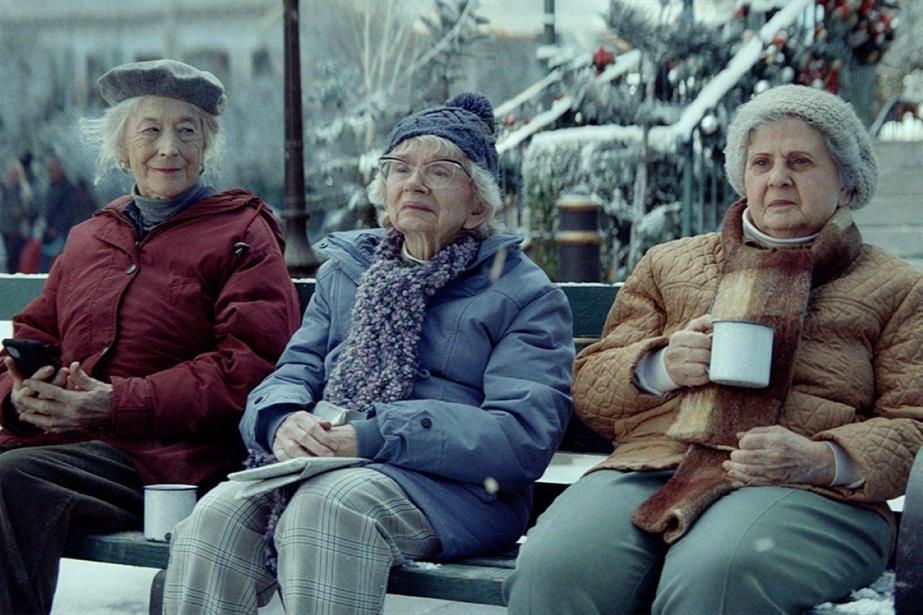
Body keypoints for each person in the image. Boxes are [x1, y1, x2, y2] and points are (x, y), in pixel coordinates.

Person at [504, 84, 923, 614]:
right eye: (762, 161)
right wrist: (659, 366)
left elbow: (913, 421)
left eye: (800, 161)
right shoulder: (669, 263)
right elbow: (590, 384)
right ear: (741, 174)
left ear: (846, 180)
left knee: (718, 575)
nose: (777, 178)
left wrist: (820, 459)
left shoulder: (896, 286)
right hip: (656, 466)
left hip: (812, 495)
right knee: (555, 568)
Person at [163, 92, 575, 614]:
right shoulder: (347, 273)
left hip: (458, 490)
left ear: (480, 205)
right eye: (400, 168)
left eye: (441, 170)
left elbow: (521, 438)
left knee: (326, 510)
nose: (415, 182)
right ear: (384, 190)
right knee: (219, 515)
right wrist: (281, 420)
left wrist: (375, 434)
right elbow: (295, 371)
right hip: (325, 463)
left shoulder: (525, 294)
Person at [0, 59, 300, 614]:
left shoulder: (242, 233)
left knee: (9, 480)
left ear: (207, 146)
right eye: (151, 130)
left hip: (175, 463)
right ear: (122, 148)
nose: (169, 148)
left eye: (187, 130)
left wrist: (116, 405)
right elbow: (34, 333)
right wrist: (20, 398)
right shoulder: (91, 236)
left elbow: (250, 368)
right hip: (77, 450)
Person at [0, 158, 36, 272]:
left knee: (20, 260)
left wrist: (23, 211)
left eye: (15, 172)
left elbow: (33, 209)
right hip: (5, 230)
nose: (13, 175)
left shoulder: (25, 190)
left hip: (21, 231)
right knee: (9, 259)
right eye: (11, 172)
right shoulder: (4, 189)